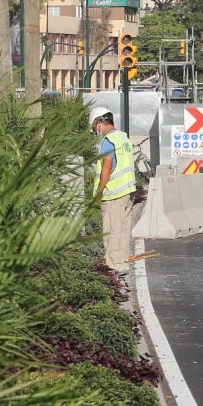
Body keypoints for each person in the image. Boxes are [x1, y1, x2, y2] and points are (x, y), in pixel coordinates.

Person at [91, 105, 139, 281]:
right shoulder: (123, 138)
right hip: (128, 190)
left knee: (111, 231)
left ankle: (113, 267)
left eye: (94, 127)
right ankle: (122, 263)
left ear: (99, 123)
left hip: (114, 193)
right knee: (123, 229)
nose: (95, 131)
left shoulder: (108, 141)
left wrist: (98, 193)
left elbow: (107, 167)